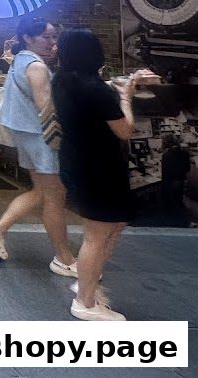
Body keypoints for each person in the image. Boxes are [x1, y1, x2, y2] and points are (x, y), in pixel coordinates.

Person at [53, 30, 146, 321]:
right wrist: (126, 98)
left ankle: (86, 282)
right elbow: (125, 130)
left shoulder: (62, 80)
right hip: (100, 167)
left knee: (113, 224)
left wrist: (114, 90)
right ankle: (85, 301)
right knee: (97, 233)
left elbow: (91, 98)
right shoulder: (97, 90)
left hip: (78, 161)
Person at [0, 17, 77, 276]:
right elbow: (46, 108)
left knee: (41, 192)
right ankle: (64, 258)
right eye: (46, 37)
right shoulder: (36, 67)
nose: (52, 42)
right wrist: (64, 138)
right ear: (27, 38)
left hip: (27, 136)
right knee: (54, 197)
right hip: (42, 138)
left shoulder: (20, 61)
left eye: (54, 37)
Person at [160, 133, 191, 220]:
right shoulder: (185, 153)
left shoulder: (166, 155)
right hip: (181, 180)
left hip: (170, 182)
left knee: (169, 202)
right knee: (179, 199)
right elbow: (187, 168)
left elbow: (165, 173)